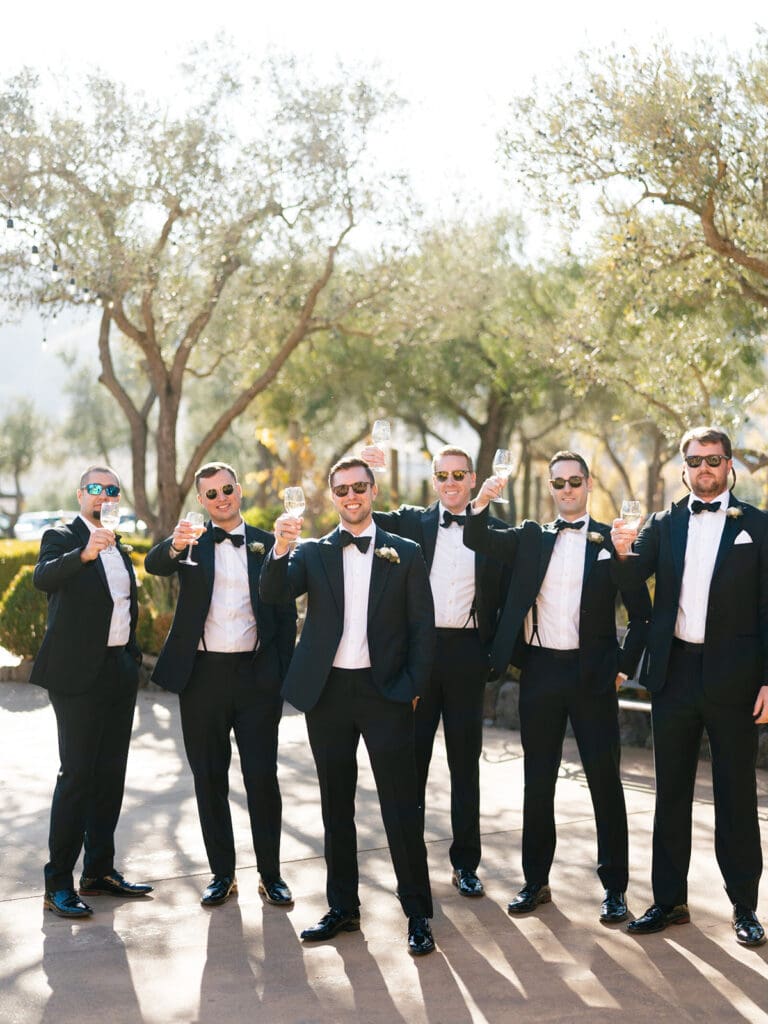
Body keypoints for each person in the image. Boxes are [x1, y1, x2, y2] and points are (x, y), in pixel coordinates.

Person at [464, 451, 651, 923]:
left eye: (573, 482)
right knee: (538, 781)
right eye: (558, 483)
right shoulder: (531, 537)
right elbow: (476, 536)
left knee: (605, 783)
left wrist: (622, 668)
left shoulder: (613, 539)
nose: (566, 490)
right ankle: (536, 882)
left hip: (594, 676)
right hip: (541, 672)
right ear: (550, 488)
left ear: (588, 484)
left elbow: (641, 612)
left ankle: (615, 890)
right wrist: (483, 498)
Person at [260, 457, 436, 955]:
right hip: (329, 694)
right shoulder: (312, 552)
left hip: (387, 695)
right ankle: (343, 908)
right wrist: (279, 547)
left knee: (401, 808)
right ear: (332, 497)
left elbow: (424, 626)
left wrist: (413, 687)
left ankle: (418, 915)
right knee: (335, 806)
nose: (351, 496)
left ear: (374, 491)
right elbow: (273, 593)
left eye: (359, 487)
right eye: (341, 489)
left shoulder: (406, 551)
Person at [611, 426, 768, 947]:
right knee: (670, 792)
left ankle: (744, 906)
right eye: (695, 460)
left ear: (729, 466)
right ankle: (668, 900)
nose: (704, 468)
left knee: (736, 793)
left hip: (737, 680)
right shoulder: (664, 522)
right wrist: (622, 552)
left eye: (714, 460)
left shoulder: (759, 528)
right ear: (683, 468)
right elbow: (632, 585)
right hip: (674, 674)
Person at [145, 462, 296, 909]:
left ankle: (271, 875)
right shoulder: (191, 544)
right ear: (202, 502)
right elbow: (155, 565)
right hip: (202, 677)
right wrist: (174, 543)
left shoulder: (270, 544)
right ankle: (221, 874)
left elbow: (286, 615)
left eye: (227, 489)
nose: (221, 498)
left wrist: (281, 676)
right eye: (211, 494)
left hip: (256, 678)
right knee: (209, 777)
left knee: (262, 779)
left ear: (240, 490)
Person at [360, 443, 509, 898]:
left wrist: (494, 655)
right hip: (418, 656)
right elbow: (358, 517)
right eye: (442, 476)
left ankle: (466, 864)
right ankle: (412, 863)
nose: (450, 484)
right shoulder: (409, 521)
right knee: (412, 764)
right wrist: (366, 471)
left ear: (472, 479)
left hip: (467, 652)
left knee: (466, 765)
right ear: (433, 481)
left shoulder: (495, 532)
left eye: (458, 476)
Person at [32, 465, 151, 918]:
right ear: (81, 493)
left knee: (110, 774)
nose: (104, 496)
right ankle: (57, 881)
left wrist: (132, 656)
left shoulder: (118, 544)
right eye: (97, 488)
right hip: (77, 676)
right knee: (77, 775)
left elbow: (124, 606)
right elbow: (44, 578)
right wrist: (84, 553)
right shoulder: (61, 536)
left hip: (118, 670)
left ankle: (99, 871)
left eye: (112, 490)